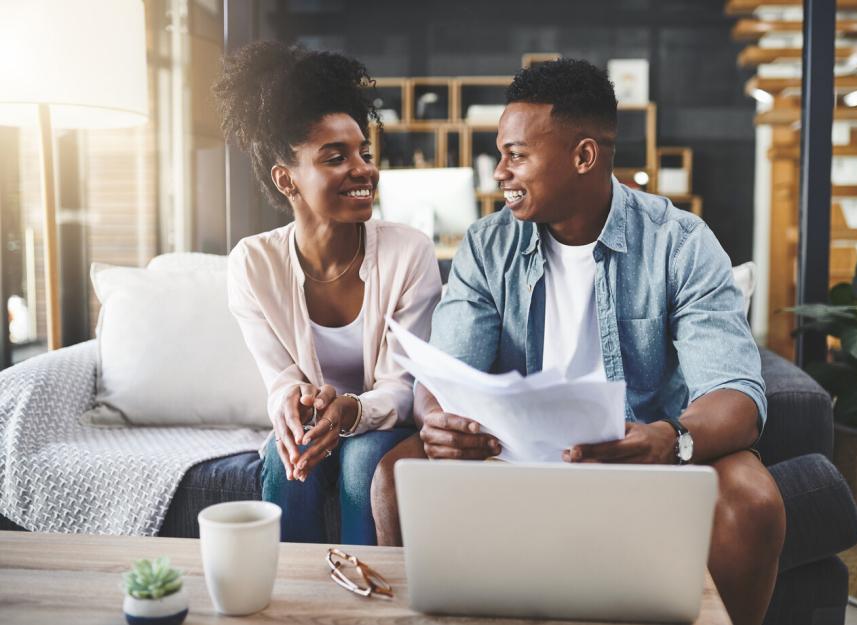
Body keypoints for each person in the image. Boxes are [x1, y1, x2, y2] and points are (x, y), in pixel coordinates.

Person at [371, 59, 785, 625]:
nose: (499, 173)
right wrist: (439, 420)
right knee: (394, 476)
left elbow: (736, 394)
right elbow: (443, 374)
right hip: (509, 453)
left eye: (517, 155)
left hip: (646, 458)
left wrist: (673, 441)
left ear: (584, 156)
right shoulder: (487, 246)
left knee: (754, 500)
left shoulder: (680, 243)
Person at [215, 41, 442, 545]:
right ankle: (290, 597)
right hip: (319, 425)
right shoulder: (253, 264)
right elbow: (279, 380)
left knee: (362, 455)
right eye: (335, 157)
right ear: (286, 179)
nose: (362, 169)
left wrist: (348, 413)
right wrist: (295, 410)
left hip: (382, 426)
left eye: (364, 152)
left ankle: (365, 602)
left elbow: (404, 387)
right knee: (283, 452)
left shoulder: (410, 252)